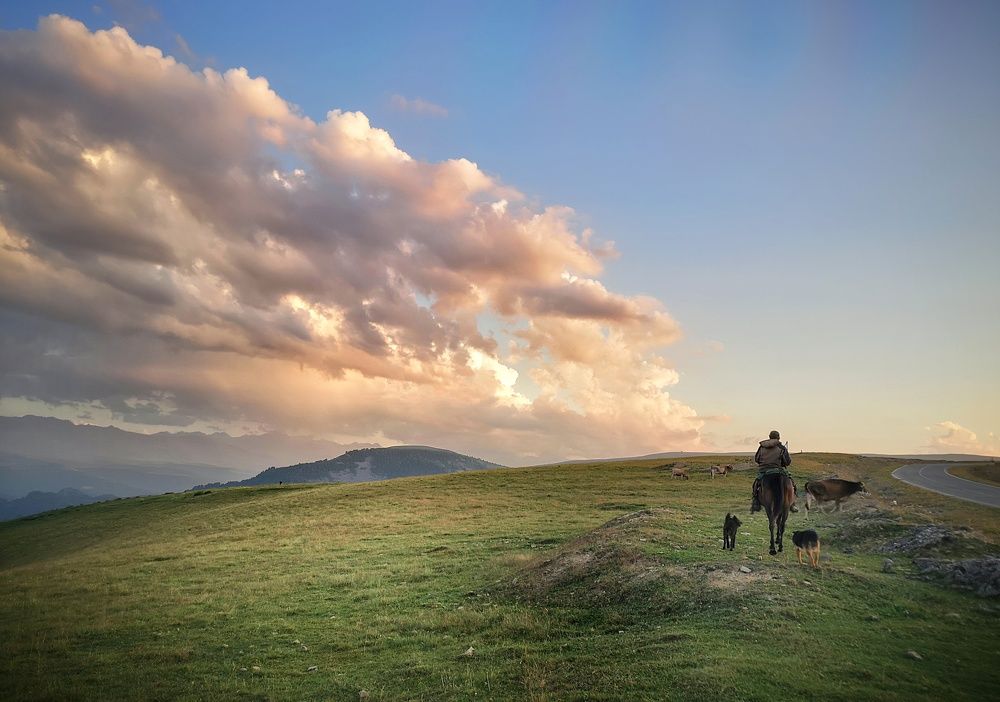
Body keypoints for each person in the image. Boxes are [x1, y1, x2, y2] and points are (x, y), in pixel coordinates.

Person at [751, 430, 798, 513]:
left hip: (764, 470)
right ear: (778, 437)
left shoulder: (762, 447)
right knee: (792, 483)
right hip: (778, 470)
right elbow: (787, 461)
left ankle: (756, 502)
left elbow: (757, 459)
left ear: (769, 437)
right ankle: (793, 503)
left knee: (756, 483)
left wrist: (764, 463)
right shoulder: (781, 447)